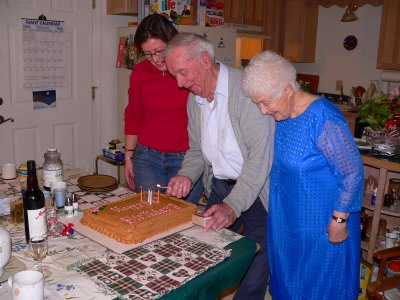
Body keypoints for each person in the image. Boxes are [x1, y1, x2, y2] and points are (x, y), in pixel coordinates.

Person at [242, 51, 364, 300]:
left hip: (322, 227)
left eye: (265, 102)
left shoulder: (323, 118)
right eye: (258, 104)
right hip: (288, 223)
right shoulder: (283, 116)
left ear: (287, 90)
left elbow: (351, 173)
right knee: (288, 285)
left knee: (319, 288)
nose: (263, 111)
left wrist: (339, 221)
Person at [163, 33, 275, 299]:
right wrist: (186, 175)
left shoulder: (246, 91)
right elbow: (196, 150)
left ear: (204, 60)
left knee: (255, 269)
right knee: (205, 256)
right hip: (221, 187)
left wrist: (233, 206)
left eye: (182, 72)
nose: (179, 83)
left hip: (258, 192)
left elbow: (259, 159)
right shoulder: (195, 98)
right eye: (174, 75)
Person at [124, 14, 203, 203]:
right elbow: (134, 114)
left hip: (186, 159)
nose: (155, 59)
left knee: (180, 216)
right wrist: (129, 157)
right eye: (148, 53)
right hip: (147, 158)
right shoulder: (140, 72)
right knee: (149, 217)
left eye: (159, 51)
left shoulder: (188, 69)